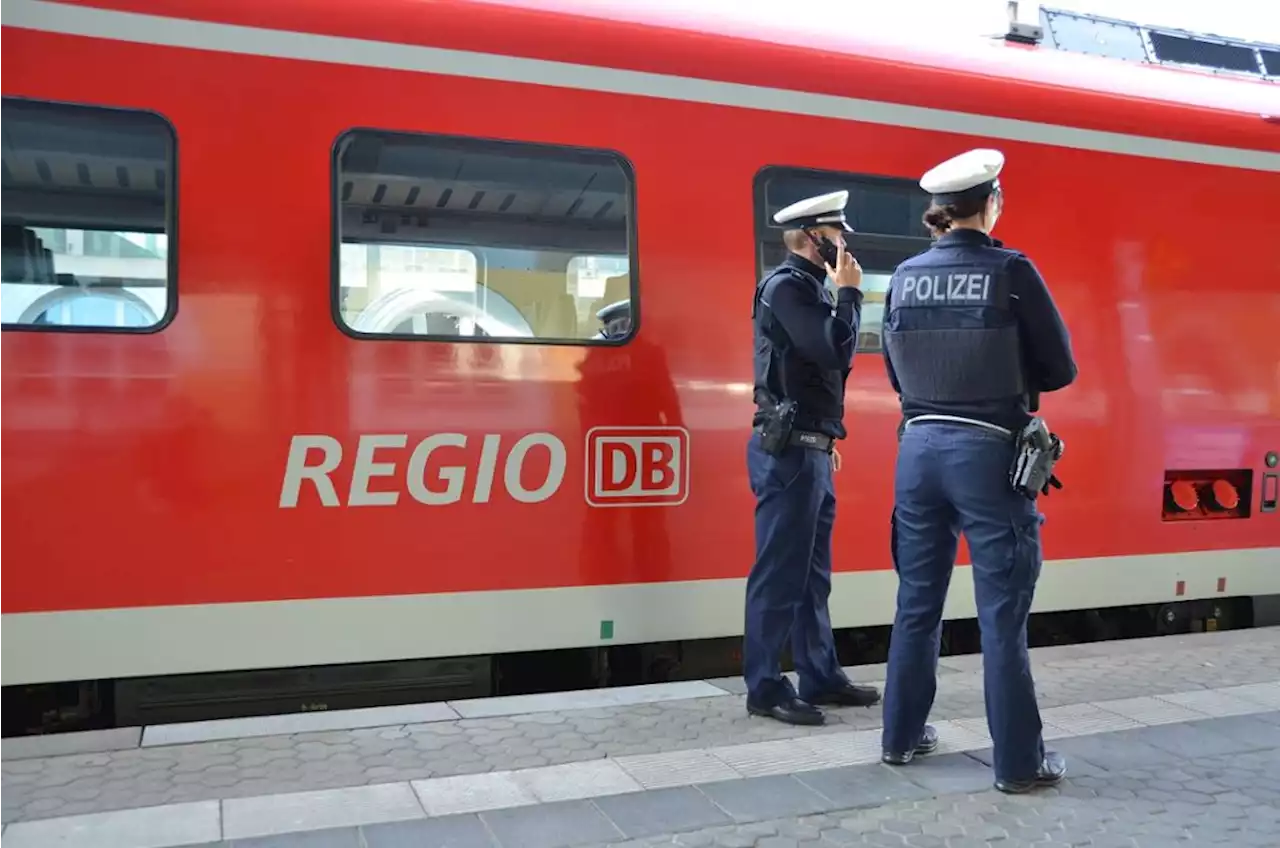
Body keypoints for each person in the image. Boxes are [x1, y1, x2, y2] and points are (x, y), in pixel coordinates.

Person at [878, 149, 1078, 793]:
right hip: (988, 455)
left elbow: (893, 369)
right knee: (1001, 617)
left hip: (917, 452)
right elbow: (1061, 369)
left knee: (916, 603)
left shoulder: (905, 276)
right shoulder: (1011, 271)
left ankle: (900, 739)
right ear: (991, 203)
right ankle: (1020, 765)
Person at [744, 189, 882, 726]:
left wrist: (827, 438)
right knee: (780, 573)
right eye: (836, 235)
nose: (844, 243)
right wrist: (851, 295)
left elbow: (817, 373)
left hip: (812, 448)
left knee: (812, 574)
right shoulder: (787, 289)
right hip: (790, 453)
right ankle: (764, 686)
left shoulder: (808, 289)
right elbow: (834, 350)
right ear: (810, 238)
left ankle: (819, 674)